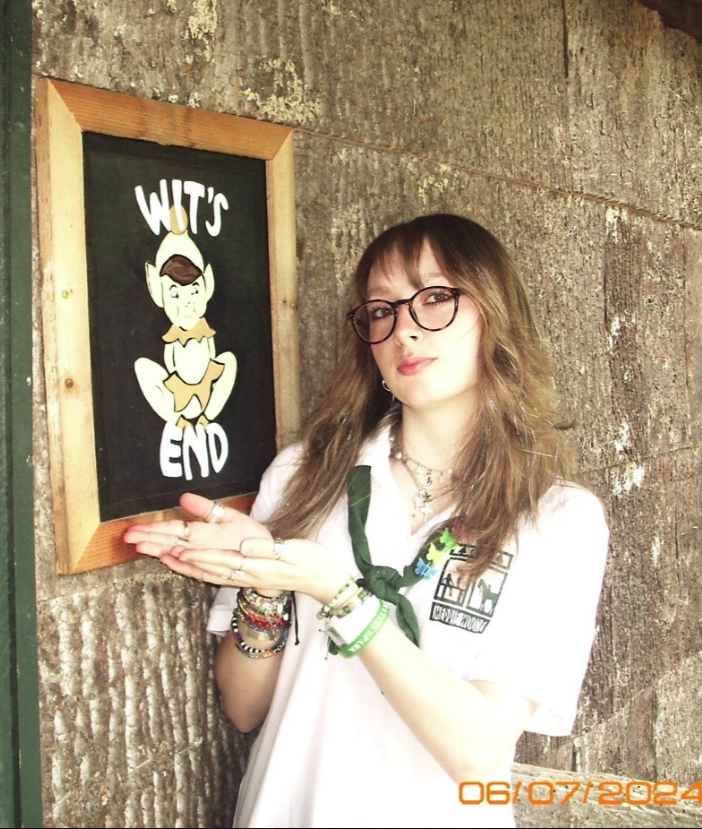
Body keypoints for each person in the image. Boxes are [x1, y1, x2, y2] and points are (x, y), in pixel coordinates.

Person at [125, 213, 609, 828]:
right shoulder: (306, 474)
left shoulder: (558, 519)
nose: (404, 330)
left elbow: (479, 750)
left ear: (494, 311)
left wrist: (336, 591)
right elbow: (245, 708)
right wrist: (266, 584)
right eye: (381, 311)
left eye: (435, 298)